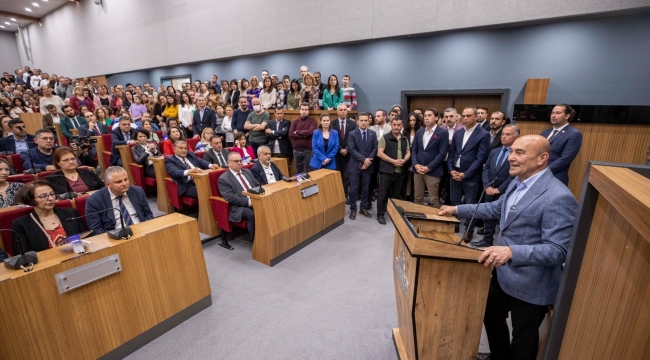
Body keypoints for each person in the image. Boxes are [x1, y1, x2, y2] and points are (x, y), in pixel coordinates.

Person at [439, 135, 578, 360]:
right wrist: (457, 209)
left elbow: (556, 250)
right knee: (490, 315)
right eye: (511, 151)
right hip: (502, 274)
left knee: (523, 339)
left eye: (520, 153)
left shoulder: (559, 197)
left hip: (532, 283)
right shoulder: (518, 181)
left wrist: (511, 251)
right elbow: (497, 208)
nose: (511, 158)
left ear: (542, 158)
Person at [472, 124, 519, 248]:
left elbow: (514, 175)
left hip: (505, 190)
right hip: (489, 189)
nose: (504, 137)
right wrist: (487, 186)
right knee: (488, 216)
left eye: (508, 134)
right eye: (503, 134)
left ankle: (503, 245)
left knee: (505, 218)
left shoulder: (517, 154)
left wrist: (499, 189)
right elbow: (486, 168)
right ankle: (487, 240)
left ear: (516, 137)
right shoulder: (494, 151)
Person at [448, 107, 490, 240]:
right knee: (454, 201)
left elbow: (481, 158)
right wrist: (450, 170)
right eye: (464, 116)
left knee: (470, 204)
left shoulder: (483, 134)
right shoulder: (459, 132)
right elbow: (452, 153)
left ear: (476, 117)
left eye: (468, 116)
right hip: (455, 173)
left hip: (470, 176)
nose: (465, 118)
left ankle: (469, 230)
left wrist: (466, 174)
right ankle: (454, 224)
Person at [12, 180, 88, 251]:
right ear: (31, 200)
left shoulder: (71, 213)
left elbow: (86, 237)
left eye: (52, 194)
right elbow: (24, 254)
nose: (51, 198)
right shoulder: (21, 224)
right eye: (43, 196)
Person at [86, 166, 153, 235]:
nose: (124, 184)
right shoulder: (94, 200)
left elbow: (148, 214)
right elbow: (96, 229)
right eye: (119, 182)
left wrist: (146, 229)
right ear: (107, 184)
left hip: (141, 230)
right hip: (115, 236)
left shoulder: (137, 191)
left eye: (126, 179)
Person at [410, 108, 449, 208]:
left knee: (433, 199)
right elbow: (414, 150)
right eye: (425, 115)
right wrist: (415, 164)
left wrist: (429, 167)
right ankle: (416, 219)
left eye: (429, 115)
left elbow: (442, 154)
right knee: (417, 197)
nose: (426, 118)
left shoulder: (443, 132)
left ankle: (433, 222)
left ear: (436, 118)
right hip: (418, 170)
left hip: (433, 171)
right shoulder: (420, 132)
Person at [376, 117, 411, 225]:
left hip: (400, 171)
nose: (396, 127)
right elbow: (379, 153)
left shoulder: (405, 139)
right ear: (391, 125)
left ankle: (394, 213)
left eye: (398, 125)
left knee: (397, 195)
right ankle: (380, 214)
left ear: (402, 126)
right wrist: (393, 161)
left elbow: (408, 152)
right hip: (387, 171)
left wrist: (404, 160)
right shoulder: (385, 138)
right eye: (394, 125)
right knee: (383, 194)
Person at [217, 152, 258, 241]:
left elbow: (257, 185)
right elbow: (230, 197)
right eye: (236, 161)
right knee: (252, 214)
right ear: (228, 162)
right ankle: (256, 241)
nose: (239, 163)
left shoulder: (247, 171)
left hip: (256, 199)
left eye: (240, 160)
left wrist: (259, 198)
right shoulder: (223, 179)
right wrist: (250, 202)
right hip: (239, 207)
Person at [540, 104, 583, 186]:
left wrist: (543, 171)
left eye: (558, 113)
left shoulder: (574, 134)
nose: (553, 115)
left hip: (555, 178)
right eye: (552, 113)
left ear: (567, 116)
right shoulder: (544, 133)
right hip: (536, 175)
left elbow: (565, 159)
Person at [347, 113, 378, 220]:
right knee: (353, 189)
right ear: (358, 121)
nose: (364, 122)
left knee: (366, 188)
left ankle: (363, 208)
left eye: (366, 120)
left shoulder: (372, 134)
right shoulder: (352, 134)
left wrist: (368, 161)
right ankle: (353, 209)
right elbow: (351, 149)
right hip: (355, 165)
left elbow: (375, 148)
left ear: (369, 121)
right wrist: (364, 160)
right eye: (361, 120)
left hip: (368, 166)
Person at [331, 103, 357, 203]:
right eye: (340, 110)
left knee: (346, 177)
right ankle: (337, 195)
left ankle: (345, 194)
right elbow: (332, 139)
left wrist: (346, 149)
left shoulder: (353, 124)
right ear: (337, 112)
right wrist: (340, 149)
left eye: (344, 110)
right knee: (337, 175)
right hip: (336, 154)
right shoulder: (332, 123)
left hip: (348, 155)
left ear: (347, 111)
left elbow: (353, 139)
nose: (342, 112)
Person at [289, 103, 317, 173]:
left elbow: (310, 132)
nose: (304, 111)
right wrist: (304, 135)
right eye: (302, 109)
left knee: (307, 171)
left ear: (308, 111)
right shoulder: (295, 122)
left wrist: (297, 132)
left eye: (306, 109)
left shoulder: (312, 121)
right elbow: (291, 134)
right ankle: (299, 184)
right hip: (296, 150)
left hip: (308, 150)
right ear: (300, 110)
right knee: (299, 171)